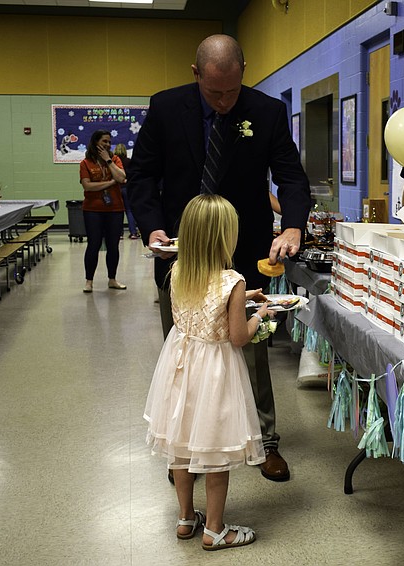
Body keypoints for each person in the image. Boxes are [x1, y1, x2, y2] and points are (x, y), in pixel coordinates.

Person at [128, 34, 311, 482]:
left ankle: (265, 442)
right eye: (214, 92)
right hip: (181, 254)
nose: (225, 101)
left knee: (252, 348)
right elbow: (142, 176)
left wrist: (293, 224)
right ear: (196, 75)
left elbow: (290, 177)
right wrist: (151, 226)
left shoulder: (266, 112)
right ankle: (186, 448)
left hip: (243, 248)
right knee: (186, 352)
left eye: (232, 90)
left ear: (244, 71)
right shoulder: (166, 107)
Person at [144, 194, 268, 549]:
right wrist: (260, 315)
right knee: (215, 451)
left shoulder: (178, 271)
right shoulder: (232, 280)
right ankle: (215, 529)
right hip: (214, 373)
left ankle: (186, 518)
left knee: (181, 446)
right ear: (224, 237)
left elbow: (201, 307)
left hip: (179, 367)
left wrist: (242, 298)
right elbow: (238, 337)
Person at [79, 130, 128, 293]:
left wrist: (108, 160)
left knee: (113, 245)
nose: (107, 144)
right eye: (104, 141)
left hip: (115, 209)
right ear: (95, 142)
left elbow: (121, 177)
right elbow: (87, 186)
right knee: (93, 244)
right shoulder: (85, 163)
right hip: (93, 210)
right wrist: (111, 183)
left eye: (109, 142)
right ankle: (89, 281)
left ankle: (112, 279)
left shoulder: (115, 160)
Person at [113, 143, 140, 240]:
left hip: (116, 188)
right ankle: (133, 233)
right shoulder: (128, 161)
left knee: (118, 211)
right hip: (127, 188)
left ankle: (119, 233)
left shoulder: (113, 162)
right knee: (129, 210)